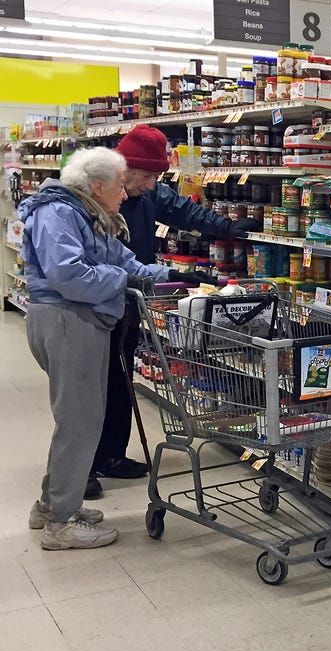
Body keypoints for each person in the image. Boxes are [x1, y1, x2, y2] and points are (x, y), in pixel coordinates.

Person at [19, 148, 204, 549]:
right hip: (65, 319)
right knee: (80, 421)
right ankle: (61, 525)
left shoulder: (90, 214)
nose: (126, 195)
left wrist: (174, 274)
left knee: (78, 418)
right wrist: (120, 280)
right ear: (97, 185)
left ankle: (51, 504)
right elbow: (68, 275)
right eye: (121, 187)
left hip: (81, 321)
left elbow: (128, 262)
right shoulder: (58, 213)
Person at [87, 125, 260, 498]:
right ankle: (82, 466)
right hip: (93, 307)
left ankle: (111, 456)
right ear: (122, 168)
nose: (152, 184)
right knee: (88, 387)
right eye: (147, 175)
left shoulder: (149, 193)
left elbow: (187, 213)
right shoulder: (93, 197)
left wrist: (229, 227)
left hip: (130, 302)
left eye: (156, 177)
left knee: (120, 380)